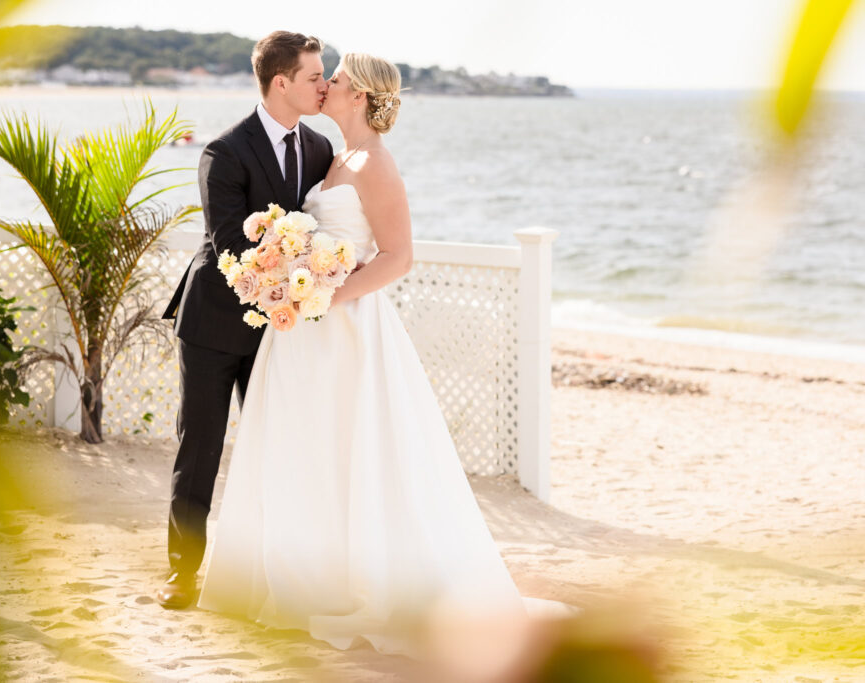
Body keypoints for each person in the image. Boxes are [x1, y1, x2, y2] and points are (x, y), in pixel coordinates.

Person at [196, 53, 571, 655]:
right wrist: (293, 277)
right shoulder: (334, 157)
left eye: (335, 79)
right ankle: (302, 579)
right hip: (307, 326)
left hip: (347, 329)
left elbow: (399, 255)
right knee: (306, 450)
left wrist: (325, 295)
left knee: (352, 448)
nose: (326, 85)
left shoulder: (374, 164)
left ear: (361, 96)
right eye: (323, 77)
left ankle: (357, 584)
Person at [157, 31, 334, 609]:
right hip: (212, 326)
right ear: (281, 82)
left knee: (278, 446)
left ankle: (273, 574)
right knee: (201, 449)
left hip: (277, 329)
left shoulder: (320, 150)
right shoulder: (224, 151)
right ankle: (182, 574)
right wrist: (302, 262)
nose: (324, 85)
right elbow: (230, 242)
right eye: (314, 76)